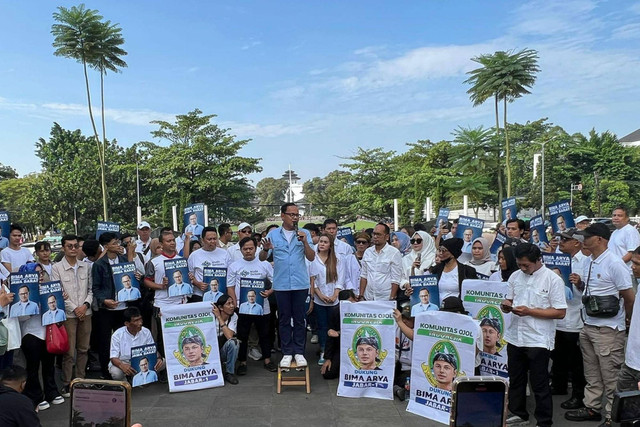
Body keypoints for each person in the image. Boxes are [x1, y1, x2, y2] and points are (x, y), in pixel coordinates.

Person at [565, 223, 635, 427]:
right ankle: (592, 407)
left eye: (586, 237)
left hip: (609, 328)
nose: (582, 240)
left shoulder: (614, 263)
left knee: (611, 376)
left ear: (600, 239)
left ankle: (611, 416)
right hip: (589, 324)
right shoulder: (589, 262)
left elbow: (628, 296)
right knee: (592, 373)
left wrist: (628, 321)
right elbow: (587, 289)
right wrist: (579, 284)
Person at [501, 243, 567, 427]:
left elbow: (560, 312)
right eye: (519, 264)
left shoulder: (552, 280)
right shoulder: (515, 276)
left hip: (538, 339)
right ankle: (519, 413)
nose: (522, 268)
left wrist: (530, 311)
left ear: (538, 260)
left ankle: (544, 421)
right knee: (516, 379)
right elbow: (510, 299)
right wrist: (506, 305)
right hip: (515, 336)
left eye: (526, 265)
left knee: (539, 383)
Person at [259, 203, 315, 368]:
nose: (295, 218)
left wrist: (305, 243)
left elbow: (311, 257)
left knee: (299, 319)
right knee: (283, 319)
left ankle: (299, 352)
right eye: (291, 214)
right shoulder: (273, 234)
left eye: (297, 215)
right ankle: (287, 352)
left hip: (300, 283)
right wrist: (265, 249)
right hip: (282, 284)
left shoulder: (304, 234)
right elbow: (263, 258)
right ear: (282, 215)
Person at [51, 234, 93, 398]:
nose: (74, 249)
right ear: (63, 248)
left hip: (86, 312)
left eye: (76, 246)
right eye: (70, 246)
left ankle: (81, 379)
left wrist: (85, 306)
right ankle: (67, 382)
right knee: (69, 352)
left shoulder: (86, 266)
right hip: (68, 314)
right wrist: (75, 308)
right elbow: (59, 294)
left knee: (84, 349)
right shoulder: (57, 268)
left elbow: (91, 290)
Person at [551, 228, 588, 410]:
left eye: (565, 240)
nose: (561, 242)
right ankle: (558, 385)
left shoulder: (585, 261)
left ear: (577, 243)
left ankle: (578, 395)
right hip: (558, 316)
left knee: (576, 361)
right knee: (558, 355)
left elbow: (590, 291)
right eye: (561, 239)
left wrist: (580, 283)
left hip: (575, 318)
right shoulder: (557, 258)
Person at [229, 237, 277, 373]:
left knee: (265, 334)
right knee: (242, 335)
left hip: (263, 306)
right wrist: (234, 304)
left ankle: (268, 359)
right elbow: (230, 287)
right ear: (241, 250)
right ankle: (242, 362)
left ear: (256, 248)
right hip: (242, 306)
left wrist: (270, 291)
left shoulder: (264, 264)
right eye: (245, 249)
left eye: (251, 248)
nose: (248, 251)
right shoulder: (235, 266)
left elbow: (276, 281)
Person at [92, 232, 131, 379]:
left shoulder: (123, 260)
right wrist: (104, 300)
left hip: (124, 307)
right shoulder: (99, 265)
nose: (118, 245)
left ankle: (127, 371)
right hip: (106, 309)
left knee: (124, 340)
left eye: (118, 242)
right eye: (114, 243)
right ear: (106, 246)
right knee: (105, 342)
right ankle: (106, 374)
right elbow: (95, 288)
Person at [308, 233, 345, 365]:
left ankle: (335, 352)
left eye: (325, 242)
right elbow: (312, 280)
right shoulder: (313, 259)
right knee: (322, 326)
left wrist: (335, 295)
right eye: (321, 242)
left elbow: (340, 279)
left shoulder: (338, 259)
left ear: (330, 245)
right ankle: (323, 350)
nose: (322, 244)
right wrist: (320, 295)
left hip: (334, 300)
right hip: (319, 299)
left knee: (334, 326)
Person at [109, 307, 164, 381]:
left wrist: (158, 358)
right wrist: (122, 366)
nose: (140, 323)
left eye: (140, 319)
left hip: (143, 361)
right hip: (124, 361)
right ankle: (125, 384)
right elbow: (113, 358)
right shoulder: (117, 335)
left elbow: (153, 349)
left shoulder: (146, 331)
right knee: (116, 373)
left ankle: (146, 379)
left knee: (163, 363)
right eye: (136, 321)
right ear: (127, 324)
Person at [359, 223, 403, 301]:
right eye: (374, 234)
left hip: (385, 298)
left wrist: (392, 298)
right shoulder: (368, 252)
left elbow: (396, 279)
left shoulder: (394, 253)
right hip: (369, 297)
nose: (375, 237)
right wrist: (361, 295)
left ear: (386, 237)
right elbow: (364, 275)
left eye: (378, 234)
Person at [616, 246, 640, 392]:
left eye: (638, 264)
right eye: (633, 262)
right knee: (622, 411)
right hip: (631, 363)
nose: (633, 267)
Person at [320, 290, 357, 380]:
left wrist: (339, 333)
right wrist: (328, 358)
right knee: (328, 373)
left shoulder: (361, 312)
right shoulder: (335, 312)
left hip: (357, 346)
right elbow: (330, 336)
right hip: (341, 347)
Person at [212, 295, 240, 384]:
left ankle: (229, 373)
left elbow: (229, 336)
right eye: (228, 304)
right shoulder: (210, 316)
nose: (232, 306)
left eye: (232, 303)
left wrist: (219, 318)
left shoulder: (233, 316)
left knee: (234, 342)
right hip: (209, 352)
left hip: (222, 351)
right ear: (220, 307)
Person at [393, 303, 414, 401]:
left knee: (406, 381)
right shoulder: (397, 327)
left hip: (411, 369)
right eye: (403, 317)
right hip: (398, 365)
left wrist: (400, 322)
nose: (405, 320)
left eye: (408, 319)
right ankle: (397, 389)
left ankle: (398, 390)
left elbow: (414, 336)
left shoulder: (418, 330)